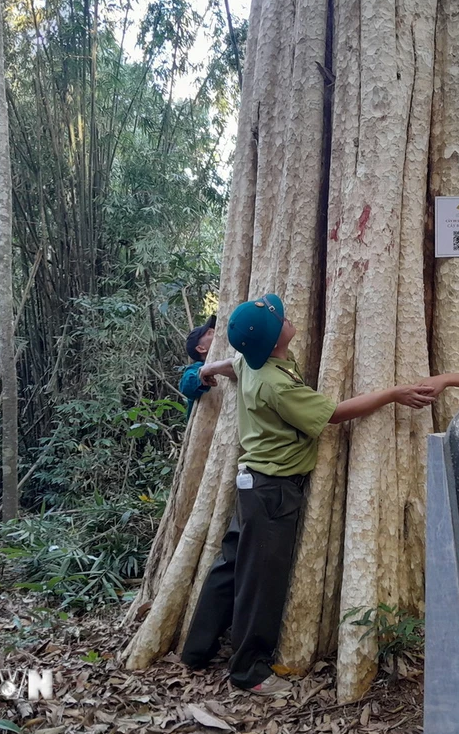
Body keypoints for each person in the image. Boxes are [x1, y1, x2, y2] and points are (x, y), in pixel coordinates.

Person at [181, 293, 435, 696]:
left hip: (252, 482)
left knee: (232, 564)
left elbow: (233, 364)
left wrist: (208, 368)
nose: (285, 317)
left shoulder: (254, 361)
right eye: (279, 318)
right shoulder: (278, 384)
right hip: (274, 490)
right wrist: (393, 394)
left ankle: (196, 649)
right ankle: (248, 670)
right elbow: (332, 414)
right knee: (261, 583)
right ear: (274, 339)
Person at [178, 314, 216, 422]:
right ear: (201, 348)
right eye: (210, 332)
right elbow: (186, 384)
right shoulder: (197, 368)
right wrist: (202, 376)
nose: (216, 332)